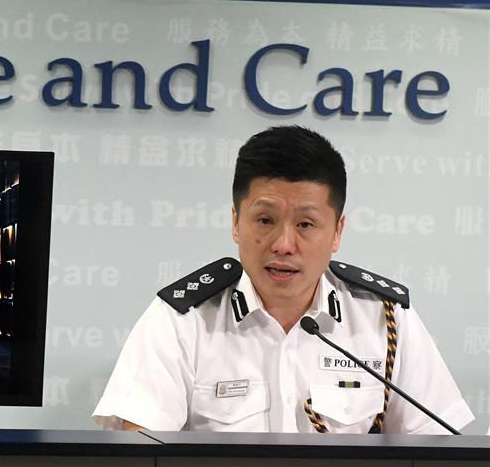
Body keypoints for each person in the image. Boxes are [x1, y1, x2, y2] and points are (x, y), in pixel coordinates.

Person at [93, 125, 474, 435]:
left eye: (306, 224)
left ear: (337, 232)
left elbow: (438, 464)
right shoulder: (182, 320)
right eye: (265, 220)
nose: (283, 244)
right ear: (235, 222)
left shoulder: (385, 318)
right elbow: (142, 463)